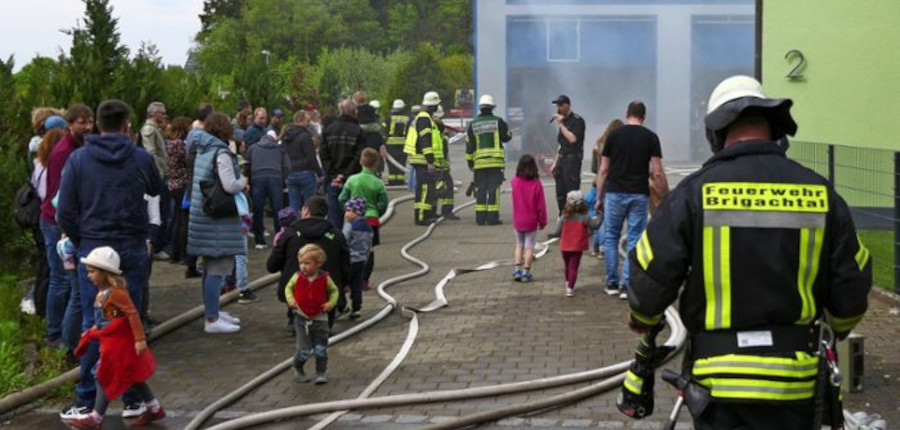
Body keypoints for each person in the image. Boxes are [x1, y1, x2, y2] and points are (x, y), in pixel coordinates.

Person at [623, 76, 871, 430]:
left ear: (716, 133)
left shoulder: (694, 193)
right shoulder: (820, 193)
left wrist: (643, 319)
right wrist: (838, 328)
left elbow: (650, 271)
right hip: (795, 384)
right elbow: (852, 284)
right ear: (773, 128)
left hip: (718, 386)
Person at [56, 100, 162, 421]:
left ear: (97, 124)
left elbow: (64, 212)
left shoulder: (78, 160)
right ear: (127, 125)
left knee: (95, 327)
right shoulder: (140, 158)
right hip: (131, 248)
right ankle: (133, 399)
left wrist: (84, 240)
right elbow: (157, 191)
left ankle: (87, 401)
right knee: (128, 324)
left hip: (96, 251)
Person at [63, 247, 165, 429]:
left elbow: (132, 314)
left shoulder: (117, 293)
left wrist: (139, 339)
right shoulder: (101, 294)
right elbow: (106, 317)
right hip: (108, 342)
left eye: (93, 272)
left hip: (118, 343)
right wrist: (93, 329)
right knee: (133, 375)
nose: (89, 276)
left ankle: (96, 417)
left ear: (105, 273)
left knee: (101, 374)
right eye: (88, 272)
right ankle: (154, 407)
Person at [596, 101, 667, 299]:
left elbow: (603, 169)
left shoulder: (614, 136)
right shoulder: (651, 137)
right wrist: (663, 196)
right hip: (639, 194)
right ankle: (627, 285)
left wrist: (599, 197)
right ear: (644, 116)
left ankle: (611, 283)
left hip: (615, 193)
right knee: (635, 239)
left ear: (627, 113)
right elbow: (657, 172)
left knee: (611, 237)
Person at [186, 112, 247, 334]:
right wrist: (244, 181)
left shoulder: (203, 149)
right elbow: (230, 185)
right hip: (217, 221)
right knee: (216, 268)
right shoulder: (221, 152)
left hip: (203, 216)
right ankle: (212, 319)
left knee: (209, 268)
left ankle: (213, 311)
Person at [41, 104, 93, 352]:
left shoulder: (78, 148)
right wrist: (66, 228)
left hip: (63, 220)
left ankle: (64, 333)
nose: (88, 126)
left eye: (90, 121)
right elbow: (62, 196)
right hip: (56, 222)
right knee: (62, 282)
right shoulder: (65, 151)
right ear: (69, 124)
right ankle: (55, 335)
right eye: (82, 122)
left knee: (68, 284)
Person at [267, 196, 351, 330]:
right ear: (326, 214)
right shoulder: (336, 235)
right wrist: (345, 284)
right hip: (326, 297)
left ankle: (295, 323)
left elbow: (272, 265)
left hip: (296, 297)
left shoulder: (290, 234)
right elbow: (346, 264)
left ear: (305, 211)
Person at [21, 114, 67, 318]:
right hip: (54, 217)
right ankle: (47, 313)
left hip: (41, 217)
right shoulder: (58, 162)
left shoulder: (38, 160)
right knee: (56, 272)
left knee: (47, 268)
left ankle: (42, 312)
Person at [286, 244, 339, 384]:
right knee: (304, 350)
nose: (303, 266)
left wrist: (331, 303)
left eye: (307, 263)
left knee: (320, 348)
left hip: (320, 318)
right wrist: (291, 300)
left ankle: (321, 372)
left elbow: (334, 291)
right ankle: (298, 367)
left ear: (318, 263)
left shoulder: (325, 278)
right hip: (301, 317)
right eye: (301, 263)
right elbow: (288, 288)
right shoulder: (297, 277)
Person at [338, 148, 388, 292]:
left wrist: (348, 210)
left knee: (348, 249)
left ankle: (347, 281)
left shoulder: (352, 180)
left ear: (361, 161)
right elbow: (383, 204)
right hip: (370, 220)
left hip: (352, 219)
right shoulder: (378, 183)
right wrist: (376, 212)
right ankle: (364, 281)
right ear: (375, 164)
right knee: (369, 250)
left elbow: (342, 198)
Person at [466, 94, 512, 225]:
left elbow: (469, 146)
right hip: (495, 162)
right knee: (493, 189)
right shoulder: (498, 121)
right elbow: (506, 137)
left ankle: (480, 218)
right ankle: (492, 218)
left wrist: (470, 163)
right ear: (492, 107)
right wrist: (510, 133)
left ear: (480, 108)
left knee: (481, 189)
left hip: (479, 163)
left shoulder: (473, 124)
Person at [320, 99, 365, 229]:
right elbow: (358, 157)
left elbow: (324, 155)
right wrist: (344, 176)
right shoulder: (358, 131)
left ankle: (336, 245)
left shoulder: (328, 130)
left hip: (332, 180)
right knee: (355, 218)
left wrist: (335, 175)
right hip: (353, 179)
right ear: (354, 112)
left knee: (334, 219)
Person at [404, 91, 443, 225]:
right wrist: (430, 161)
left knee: (425, 189)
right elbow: (425, 141)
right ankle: (421, 217)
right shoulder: (424, 119)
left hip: (421, 159)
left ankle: (425, 215)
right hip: (423, 160)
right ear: (433, 105)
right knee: (425, 189)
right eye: (437, 104)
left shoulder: (423, 117)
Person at [245, 130, 290, 249]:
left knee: (258, 210)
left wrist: (248, 181)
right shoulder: (280, 149)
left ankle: (260, 241)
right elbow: (287, 166)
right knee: (277, 210)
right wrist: (282, 178)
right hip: (275, 178)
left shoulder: (253, 148)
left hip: (257, 178)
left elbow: (247, 165)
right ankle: (279, 239)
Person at [140, 102, 171, 260]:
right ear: (154, 114)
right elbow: (151, 153)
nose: (164, 116)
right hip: (157, 176)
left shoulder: (155, 129)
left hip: (160, 174)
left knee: (164, 211)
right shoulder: (149, 130)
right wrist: (158, 173)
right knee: (158, 211)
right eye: (162, 113)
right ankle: (157, 247)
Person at [553, 191, 599, 297]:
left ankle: (567, 283)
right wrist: (600, 216)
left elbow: (557, 230)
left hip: (565, 245)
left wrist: (561, 234)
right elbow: (595, 225)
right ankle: (570, 288)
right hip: (577, 246)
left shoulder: (564, 216)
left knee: (567, 266)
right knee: (574, 266)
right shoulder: (585, 217)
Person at [510, 154, 547, 282]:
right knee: (529, 246)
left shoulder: (514, 181)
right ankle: (526, 272)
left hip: (518, 220)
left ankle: (516, 271)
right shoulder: (537, 184)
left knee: (519, 245)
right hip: (531, 221)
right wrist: (542, 221)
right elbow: (541, 206)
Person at [549, 95, 586, 215]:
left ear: (567, 105)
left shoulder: (577, 120)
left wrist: (561, 124)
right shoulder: (564, 122)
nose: (558, 108)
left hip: (572, 161)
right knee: (560, 193)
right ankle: (562, 221)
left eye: (560, 105)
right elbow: (561, 145)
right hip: (562, 160)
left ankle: (573, 222)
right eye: (557, 105)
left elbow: (573, 139)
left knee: (571, 193)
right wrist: (555, 163)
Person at [164, 117, 192, 264]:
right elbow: (187, 161)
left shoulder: (169, 144)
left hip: (172, 184)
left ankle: (175, 253)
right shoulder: (180, 144)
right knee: (183, 220)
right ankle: (183, 254)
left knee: (176, 219)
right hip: (182, 184)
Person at [340, 197, 373, 320]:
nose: (346, 213)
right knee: (356, 285)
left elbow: (343, 241)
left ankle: (341, 306)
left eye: (348, 210)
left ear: (357, 212)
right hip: (361, 261)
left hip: (348, 261)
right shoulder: (368, 227)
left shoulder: (350, 226)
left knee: (341, 283)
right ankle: (356, 308)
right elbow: (369, 245)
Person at [281, 110, 320, 212]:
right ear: (300, 120)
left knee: (293, 203)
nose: (309, 123)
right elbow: (311, 157)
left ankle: (293, 224)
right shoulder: (305, 136)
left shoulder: (285, 136)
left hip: (290, 173)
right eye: (307, 121)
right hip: (305, 171)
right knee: (310, 204)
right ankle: (309, 225)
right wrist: (319, 173)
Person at [432, 105, 459, 220]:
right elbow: (443, 152)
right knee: (448, 188)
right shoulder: (441, 136)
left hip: (433, 165)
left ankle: (432, 212)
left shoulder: (432, 131)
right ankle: (447, 211)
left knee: (434, 188)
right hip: (441, 166)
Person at [385, 99, 409, 185]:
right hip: (403, 144)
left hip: (391, 145)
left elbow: (385, 131)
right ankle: (401, 181)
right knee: (401, 163)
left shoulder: (389, 117)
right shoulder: (407, 118)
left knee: (392, 164)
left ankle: (392, 181)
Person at [583, 183, 603, 258]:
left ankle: (595, 250)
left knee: (593, 234)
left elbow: (585, 205)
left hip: (590, 216)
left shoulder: (588, 195)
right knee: (598, 232)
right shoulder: (602, 194)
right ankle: (600, 250)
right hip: (599, 216)